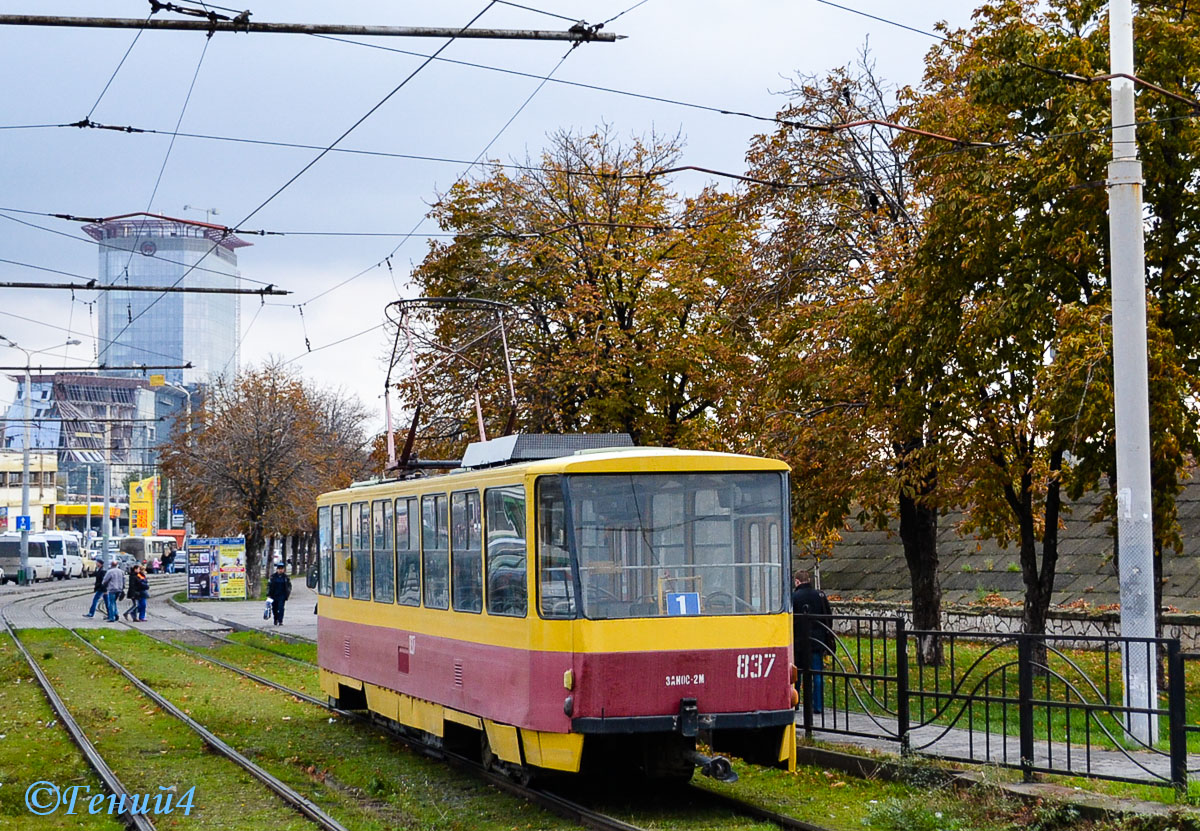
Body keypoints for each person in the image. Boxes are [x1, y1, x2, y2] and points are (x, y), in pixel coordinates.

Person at [792, 569, 835, 714]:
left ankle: (795, 703)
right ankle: (818, 706)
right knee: (817, 673)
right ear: (809, 580)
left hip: (798, 641)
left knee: (797, 674)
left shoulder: (794, 597)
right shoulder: (820, 595)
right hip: (817, 640)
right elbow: (828, 616)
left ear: (797, 581)